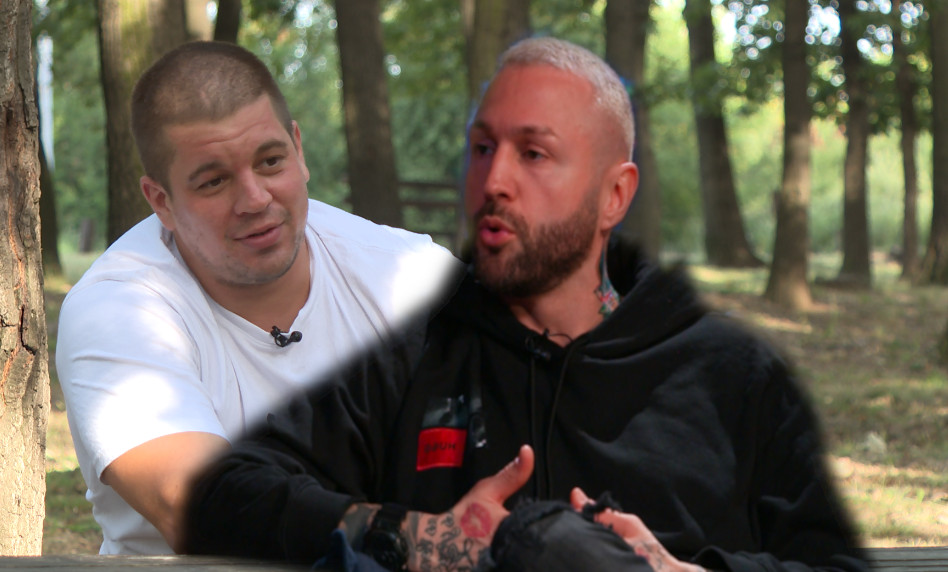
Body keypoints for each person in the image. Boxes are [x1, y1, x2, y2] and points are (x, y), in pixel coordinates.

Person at [184, 37, 867, 572]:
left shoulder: (731, 377)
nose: (494, 180)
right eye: (483, 148)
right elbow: (225, 495)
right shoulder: (414, 359)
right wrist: (418, 537)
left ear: (614, 196)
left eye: (534, 154)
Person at [55, 41, 458, 555]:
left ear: (299, 151)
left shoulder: (408, 273)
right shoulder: (118, 310)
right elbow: (200, 507)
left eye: (270, 161)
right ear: (161, 201)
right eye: (214, 181)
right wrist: (419, 538)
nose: (255, 199)